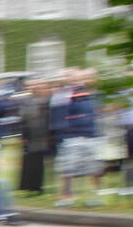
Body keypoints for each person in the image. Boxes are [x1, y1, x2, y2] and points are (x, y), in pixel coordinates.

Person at [50, 68, 101, 206]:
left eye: (76, 76)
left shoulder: (86, 93)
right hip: (71, 135)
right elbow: (59, 116)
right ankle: (67, 196)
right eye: (69, 76)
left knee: (92, 166)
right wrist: (62, 133)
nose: (74, 79)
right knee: (68, 168)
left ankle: (93, 196)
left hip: (89, 133)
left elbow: (92, 112)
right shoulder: (62, 94)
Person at [16, 78, 52, 195]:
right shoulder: (26, 101)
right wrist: (23, 135)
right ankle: (28, 186)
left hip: (40, 135)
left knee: (38, 162)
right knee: (28, 161)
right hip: (29, 135)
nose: (33, 88)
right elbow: (23, 119)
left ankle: (37, 186)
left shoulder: (45, 100)